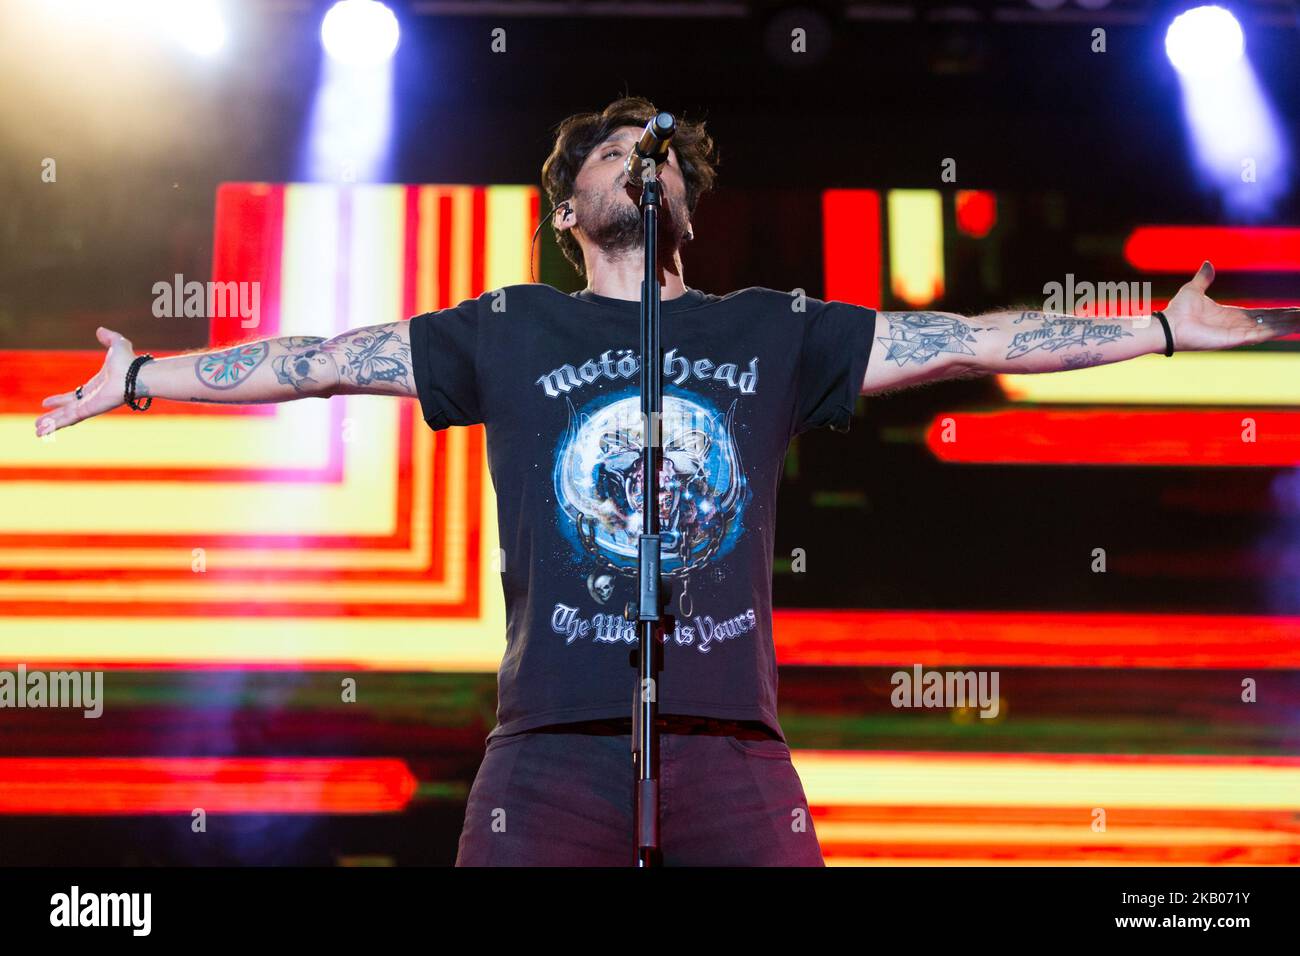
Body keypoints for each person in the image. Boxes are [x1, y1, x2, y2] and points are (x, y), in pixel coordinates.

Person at [33, 96, 1300, 866]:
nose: (641, 155)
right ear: (568, 209)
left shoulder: (772, 325)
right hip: (546, 756)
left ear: (682, 203)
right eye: (608, 149)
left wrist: (1163, 331)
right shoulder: (508, 325)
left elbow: (966, 335)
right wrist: (142, 376)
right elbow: (312, 363)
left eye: (661, 149)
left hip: (731, 748)